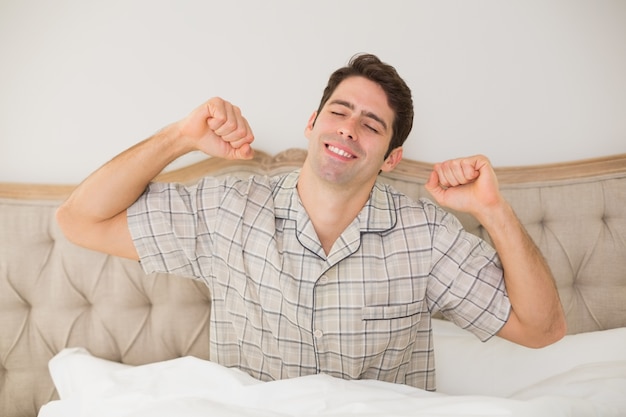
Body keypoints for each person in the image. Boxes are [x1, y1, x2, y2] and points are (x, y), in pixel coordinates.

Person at [56, 53, 566, 391]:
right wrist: (179, 137)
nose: (348, 129)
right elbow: (78, 220)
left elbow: (543, 330)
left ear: (390, 157)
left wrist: (494, 212)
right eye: (339, 112)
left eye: (371, 125)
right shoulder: (224, 210)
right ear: (312, 123)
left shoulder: (426, 236)